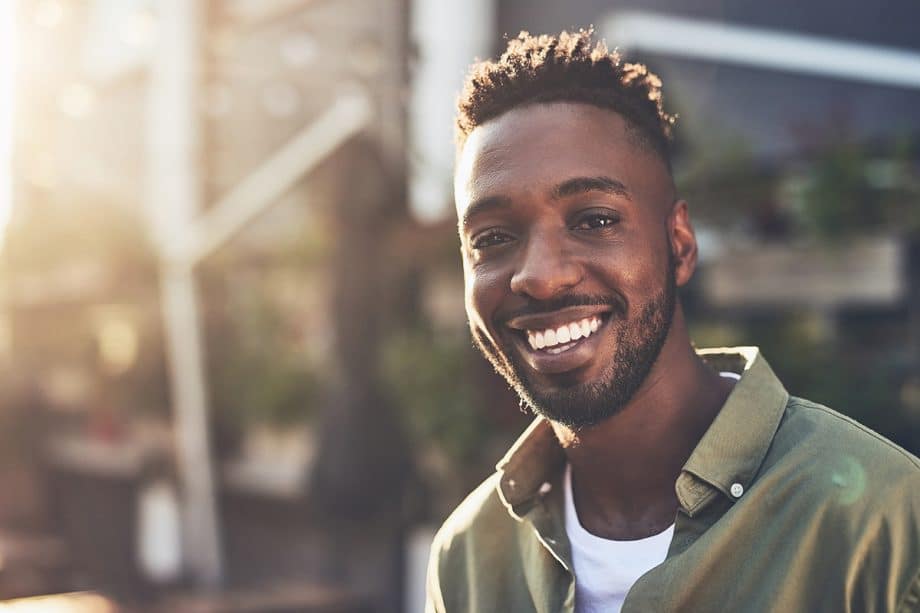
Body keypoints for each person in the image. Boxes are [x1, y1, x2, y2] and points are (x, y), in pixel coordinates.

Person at [425, 29, 920, 612]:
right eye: (494, 238)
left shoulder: (885, 522)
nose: (539, 276)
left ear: (679, 244)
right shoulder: (468, 556)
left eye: (594, 219)